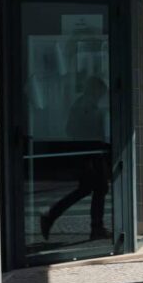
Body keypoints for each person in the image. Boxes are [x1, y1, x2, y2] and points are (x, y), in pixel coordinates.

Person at [40, 76, 110, 242]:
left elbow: (71, 129)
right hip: (90, 154)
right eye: (100, 93)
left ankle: (54, 216)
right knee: (97, 188)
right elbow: (75, 129)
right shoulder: (85, 106)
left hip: (91, 153)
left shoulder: (84, 104)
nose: (101, 96)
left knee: (90, 189)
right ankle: (95, 227)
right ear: (94, 90)